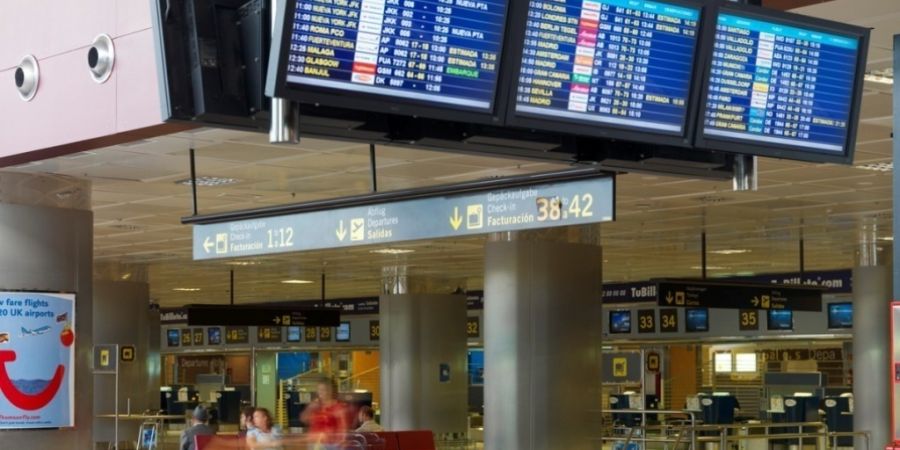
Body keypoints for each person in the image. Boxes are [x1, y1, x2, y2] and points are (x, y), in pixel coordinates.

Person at [301, 378, 349, 447]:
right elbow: (304, 419)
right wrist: (309, 408)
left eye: (323, 390)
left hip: (331, 444)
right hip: (315, 442)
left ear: (330, 391)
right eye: (319, 389)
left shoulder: (338, 407)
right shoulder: (315, 405)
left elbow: (343, 427)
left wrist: (342, 442)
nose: (320, 392)